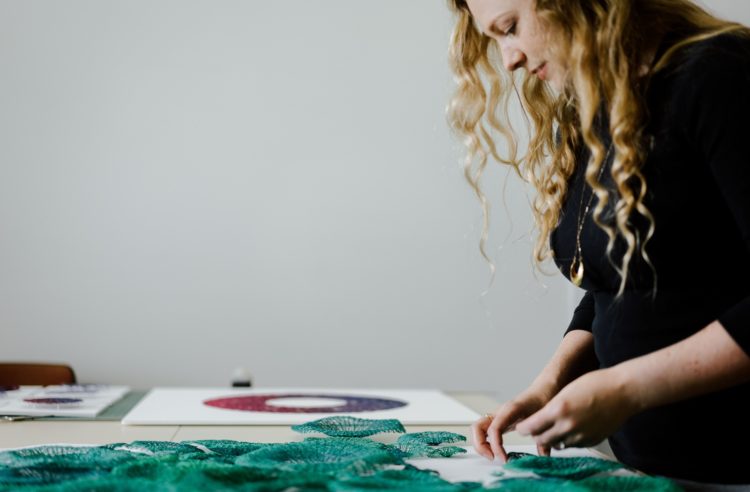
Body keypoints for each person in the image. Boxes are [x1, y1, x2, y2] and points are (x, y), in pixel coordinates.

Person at [447, 0, 750, 485]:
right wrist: (549, 384)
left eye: (510, 28)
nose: (509, 60)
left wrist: (622, 389)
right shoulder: (602, 102)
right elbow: (620, 280)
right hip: (639, 472)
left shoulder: (721, 77)